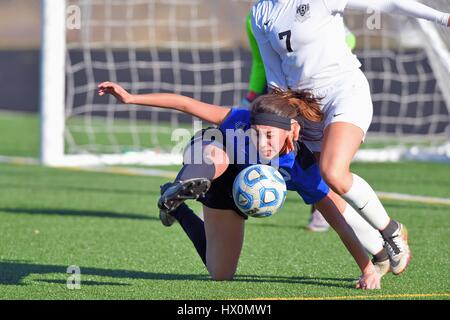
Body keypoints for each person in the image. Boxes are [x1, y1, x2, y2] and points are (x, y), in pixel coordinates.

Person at [98, 81, 385, 289]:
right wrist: (131, 98)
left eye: (269, 136)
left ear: (293, 130)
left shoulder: (302, 170)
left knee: (220, 274)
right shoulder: (238, 120)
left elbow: (338, 221)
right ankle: (186, 183)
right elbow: (186, 104)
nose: (262, 144)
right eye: (256, 134)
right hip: (210, 158)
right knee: (216, 152)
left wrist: (367, 268)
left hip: (232, 193)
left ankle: (178, 209)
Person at [251, 0, 450, 274]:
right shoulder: (260, 11)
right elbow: (275, 79)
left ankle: (391, 232)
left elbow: (388, 4)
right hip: (304, 108)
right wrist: (285, 122)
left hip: (344, 92)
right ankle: (379, 255)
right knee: (321, 190)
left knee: (333, 171)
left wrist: (444, 18)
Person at [241, 10, 358, 232]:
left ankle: (322, 207)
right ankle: (228, 195)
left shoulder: (310, 8)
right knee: (256, 140)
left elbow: (349, 38)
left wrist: (314, 59)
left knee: (323, 153)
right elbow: (260, 61)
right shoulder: (255, 16)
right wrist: (253, 94)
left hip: (319, 88)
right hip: (281, 89)